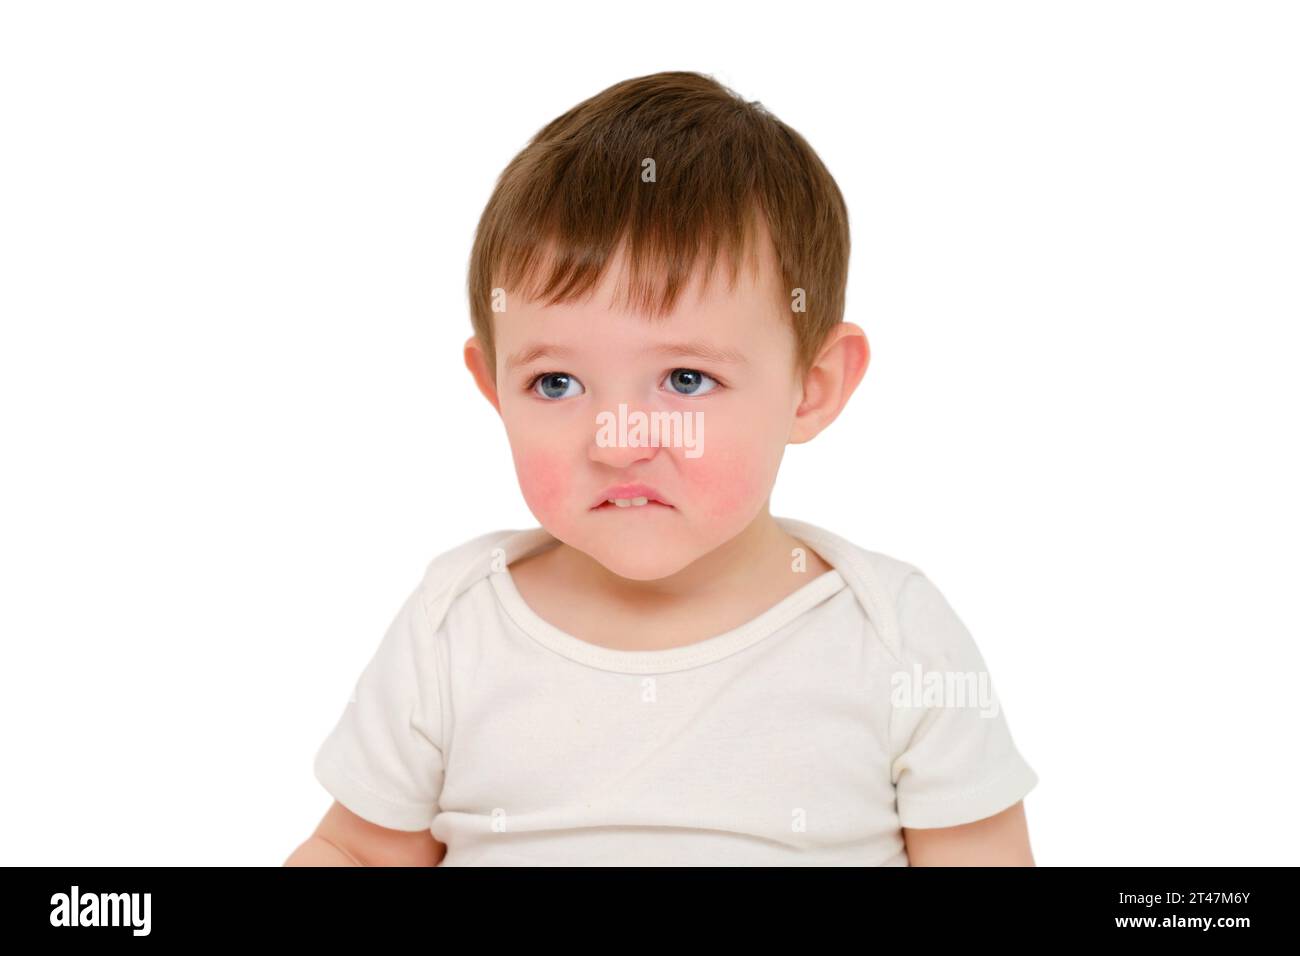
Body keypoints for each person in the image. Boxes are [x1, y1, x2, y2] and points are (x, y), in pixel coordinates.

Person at [285, 71, 1037, 867]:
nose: (617, 439)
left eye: (685, 381)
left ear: (812, 389)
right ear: (494, 389)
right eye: (556, 384)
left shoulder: (894, 639)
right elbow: (358, 852)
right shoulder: (454, 631)